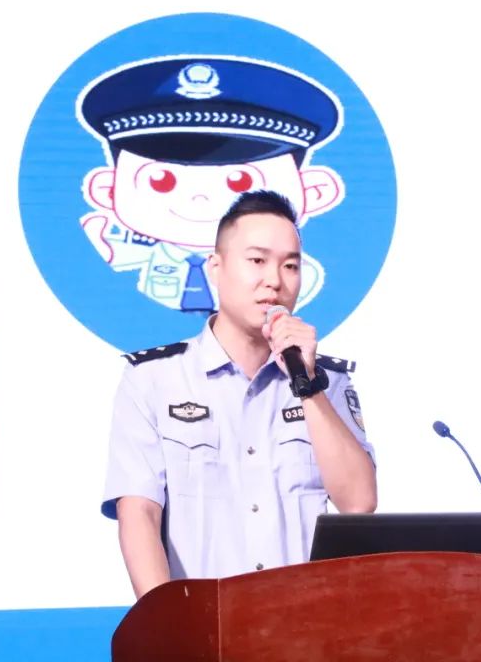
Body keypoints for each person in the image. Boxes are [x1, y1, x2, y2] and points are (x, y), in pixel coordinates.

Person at [101, 190, 376, 598]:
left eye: (291, 266)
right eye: (257, 261)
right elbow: (138, 513)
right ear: (216, 268)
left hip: (306, 621)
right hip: (204, 622)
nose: (275, 281)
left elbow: (359, 502)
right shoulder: (154, 379)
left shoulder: (327, 381)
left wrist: (309, 386)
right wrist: (165, 622)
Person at [77, 56, 348, 313]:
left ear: (314, 191)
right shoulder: (118, 257)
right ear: (107, 191)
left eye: (240, 181)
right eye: (161, 180)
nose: (200, 198)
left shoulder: (299, 277)